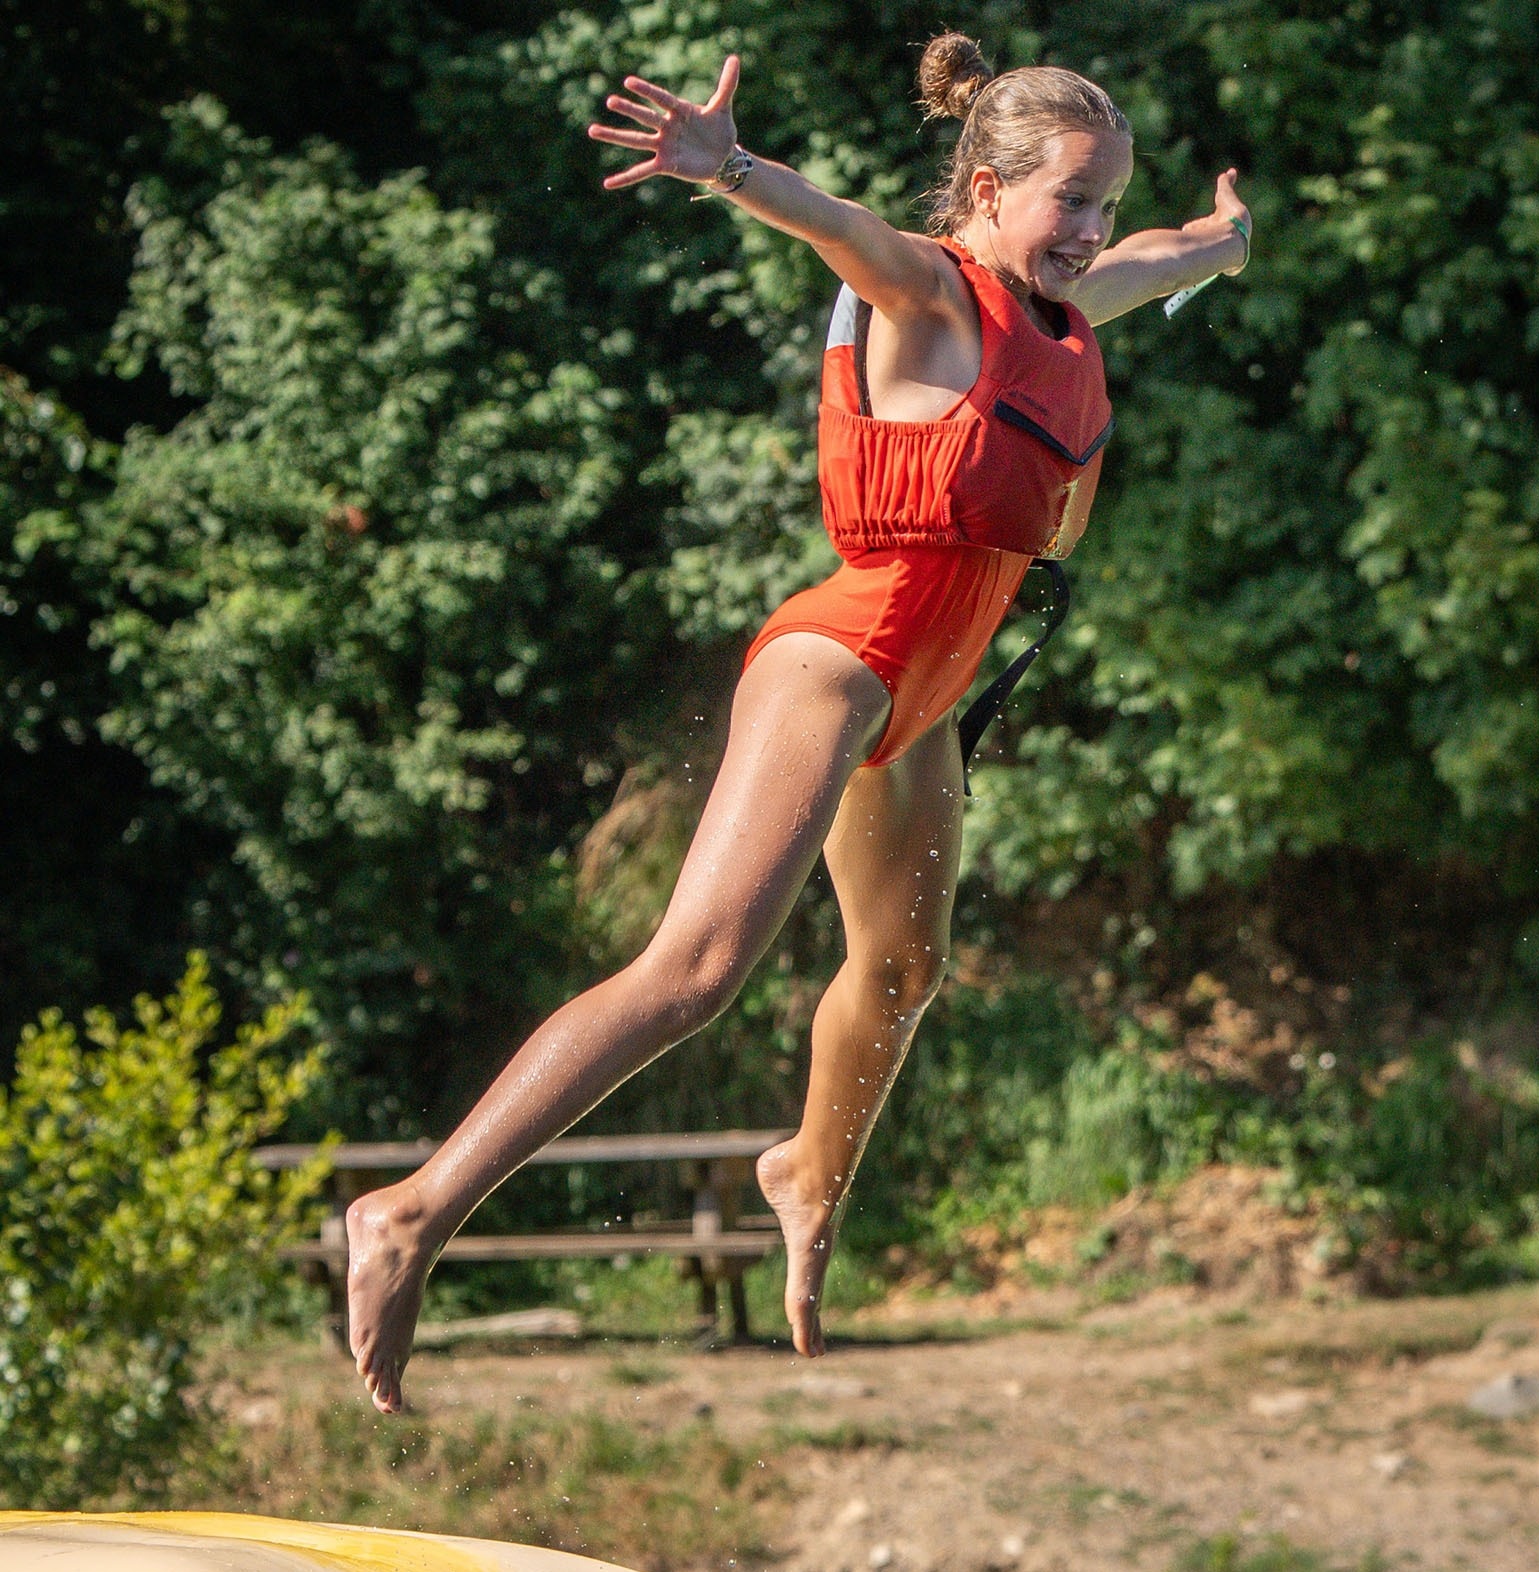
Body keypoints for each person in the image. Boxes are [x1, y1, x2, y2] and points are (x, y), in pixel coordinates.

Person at [339, 41, 1252, 1411]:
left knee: (905, 966)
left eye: (1106, 202)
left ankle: (807, 1173)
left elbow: (1164, 257)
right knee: (696, 971)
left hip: (924, 695)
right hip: (839, 661)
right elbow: (841, 228)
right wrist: (733, 170)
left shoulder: (1066, 309)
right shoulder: (931, 291)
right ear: (988, 190)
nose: (1091, 229)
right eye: (1070, 200)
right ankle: (410, 1211)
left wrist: (1226, 240)